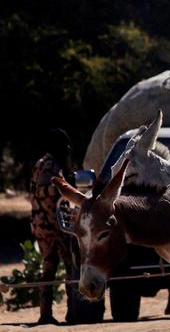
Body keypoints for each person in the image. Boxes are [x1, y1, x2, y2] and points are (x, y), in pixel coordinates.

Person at [28, 129, 74, 325]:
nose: (68, 149)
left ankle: (48, 313)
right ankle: (69, 312)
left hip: (46, 225)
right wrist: (65, 187)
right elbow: (42, 191)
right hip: (52, 227)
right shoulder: (49, 165)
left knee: (50, 268)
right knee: (68, 267)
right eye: (65, 145)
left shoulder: (47, 163)